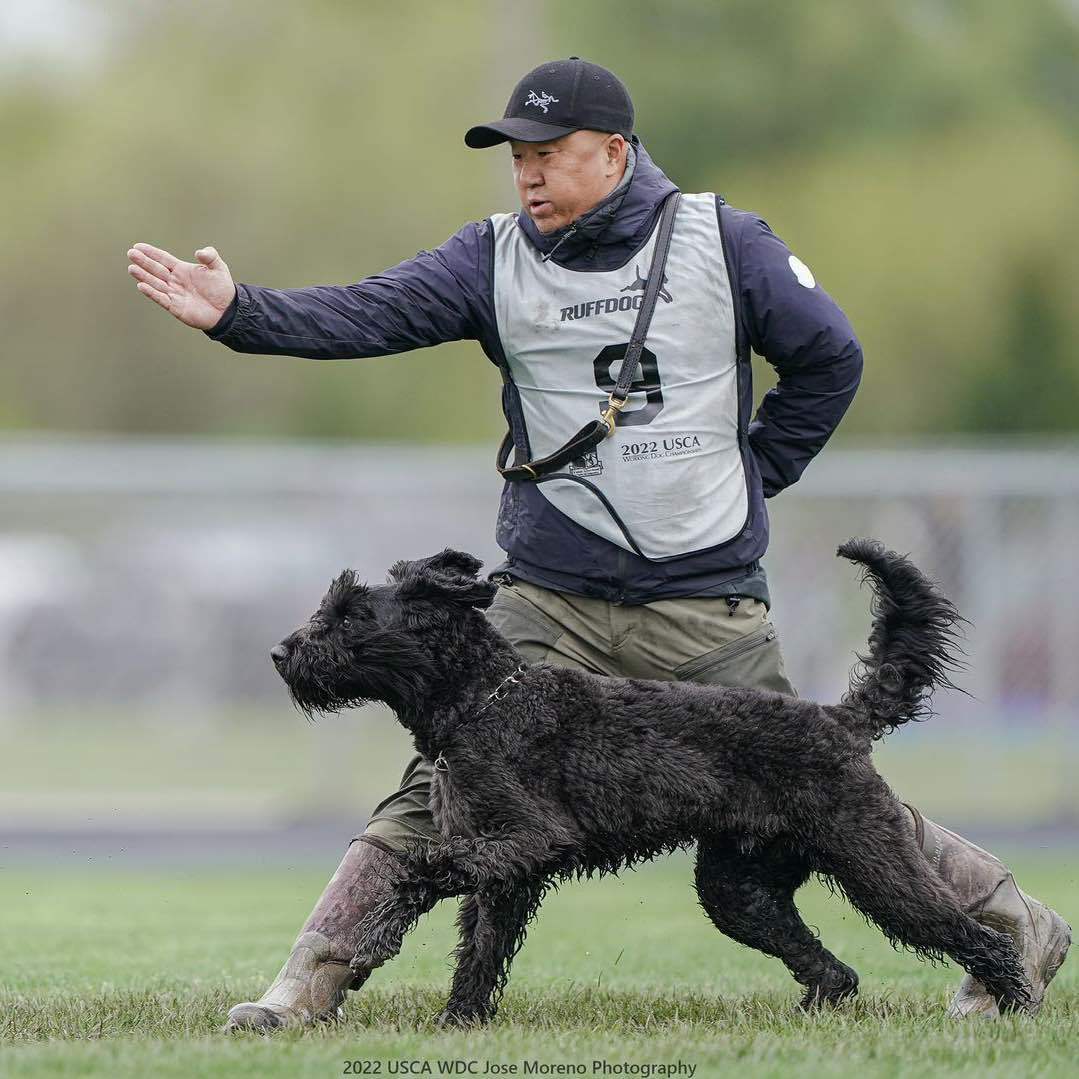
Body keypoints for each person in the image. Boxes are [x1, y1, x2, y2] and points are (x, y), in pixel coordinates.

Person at [127, 58, 1068, 1029]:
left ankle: (1016, 925)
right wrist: (240, 313)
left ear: (615, 153)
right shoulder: (489, 255)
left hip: (703, 598)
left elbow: (830, 356)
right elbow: (368, 312)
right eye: (516, 157)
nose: (527, 173)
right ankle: (303, 985)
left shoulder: (724, 240)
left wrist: (753, 475)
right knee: (437, 785)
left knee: (821, 780)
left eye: (549, 152)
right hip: (549, 593)